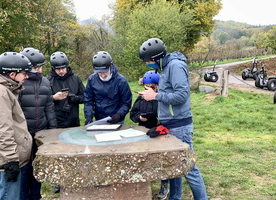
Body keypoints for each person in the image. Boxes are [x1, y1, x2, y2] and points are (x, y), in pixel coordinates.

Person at [138, 38, 208, 200]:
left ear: (156, 58)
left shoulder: (175, 66)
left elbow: (182, 95)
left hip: (180, 126)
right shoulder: (166, 66)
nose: (148, 64)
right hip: (170, 124)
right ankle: (174, 198)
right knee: (174, 167)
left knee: (189, 169)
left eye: (148, 61)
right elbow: (169, 94)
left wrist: (155, 95)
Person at [0, 52, 33, 200]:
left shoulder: (6, 90)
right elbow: (2, 129)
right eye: (24, 73)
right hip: (7, 161)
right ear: (12, 74)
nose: (26, 77)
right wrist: (11, 160)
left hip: (12, 157)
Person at [19, 47, 58, 200]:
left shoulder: (45, 82)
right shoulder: (19, 84)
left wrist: (53, 131)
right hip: (24, 134)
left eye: (41, 66)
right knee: (24, 168)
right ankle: (23, 197)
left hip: (40, 132)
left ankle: (36, 196)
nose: (39, 70)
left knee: (37, 167)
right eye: (36, 67)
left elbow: (49, 108)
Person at [129, 70, 169, 199]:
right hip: (142, 132)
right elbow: (132, 114)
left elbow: (167, 117)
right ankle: (142, 183)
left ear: (157, 86)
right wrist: (140, 118)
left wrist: (155, 120)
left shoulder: (161, 97)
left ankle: (165, 184)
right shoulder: (140, 97)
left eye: (152, 86)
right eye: (146, 86)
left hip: (158, 133)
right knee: (141, 157)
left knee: (161, 159)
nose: (148, 88)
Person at [84, 51, 132, 125]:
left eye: (104, 72)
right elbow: (88, 100)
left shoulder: (121, 81)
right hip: (100, 119)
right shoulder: (92, 79)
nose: (102, 75)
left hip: (117, 119)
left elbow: (126, 102)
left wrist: (119, 114)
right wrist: (89, 116)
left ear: (110, 66)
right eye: (99, 72)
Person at [47, 51, 85, 128]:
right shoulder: (47, 81)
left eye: (63, 68)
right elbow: (42, 101)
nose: (61, 71)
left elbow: (85, 97)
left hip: (74, 121)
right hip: (56, 122)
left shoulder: (76, 79)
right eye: (58, 69)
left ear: (67, 67)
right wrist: (53, 98)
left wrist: (74, 98)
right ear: (53, 68)